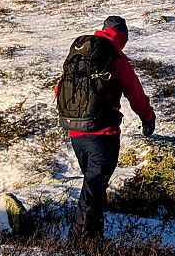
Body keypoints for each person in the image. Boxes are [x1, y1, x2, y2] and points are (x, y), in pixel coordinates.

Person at [58, 16, 156, 242]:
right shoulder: (116, 60)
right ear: (123, 37)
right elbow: (136, 95)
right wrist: (148, 117)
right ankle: (77, 242)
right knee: (92, 190)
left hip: (75, 132)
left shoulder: (80, 54)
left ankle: (94, 238)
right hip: (102, 135)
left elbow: (60, 89)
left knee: (95, 187)